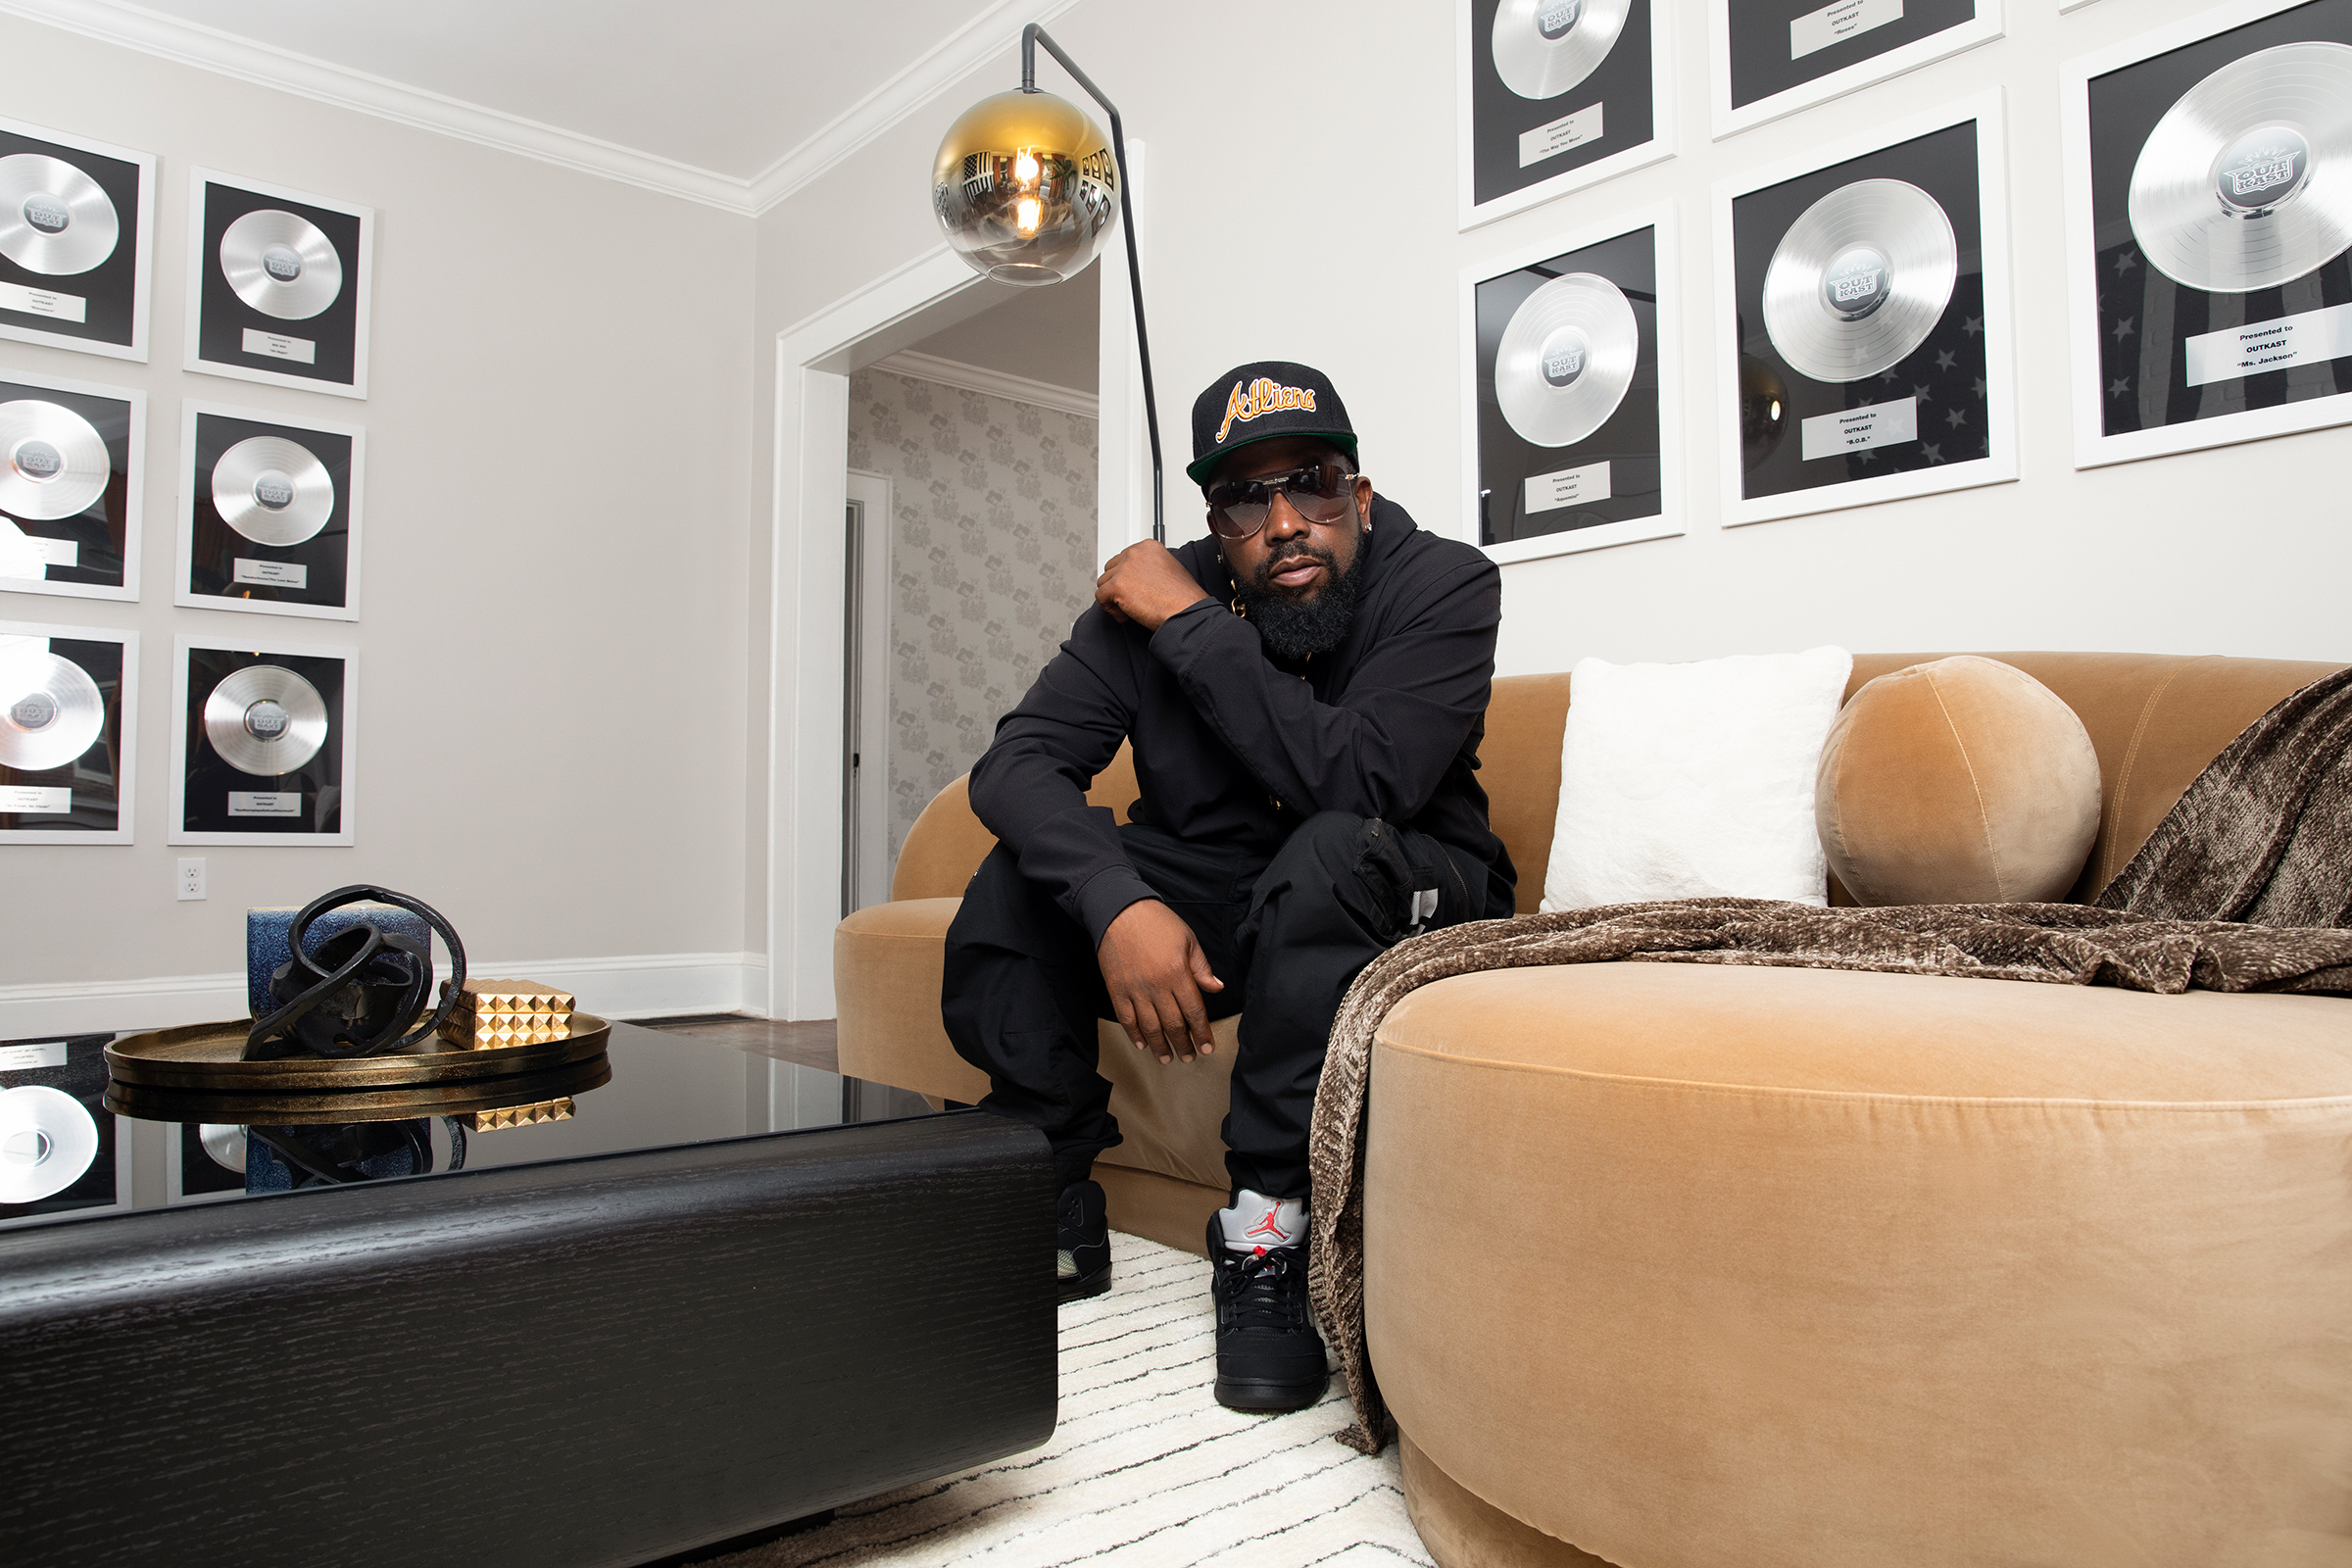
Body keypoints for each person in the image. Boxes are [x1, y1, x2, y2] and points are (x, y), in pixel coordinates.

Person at [942, 361, 1513, 1413]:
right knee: (1021, 879)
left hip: (1404, 880)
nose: (1287, 521)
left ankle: (1267, 1232)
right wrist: (1119, 900)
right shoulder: (1148, 602)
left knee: (1331, 848)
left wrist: (1191, 621)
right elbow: (1016, 766)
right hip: (1228, 892)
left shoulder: (1445, 583)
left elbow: (1362, 780)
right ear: (1217, 521)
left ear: (1363, 497)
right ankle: (1048, 1175)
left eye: (1315, 484)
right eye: (1248, 499)